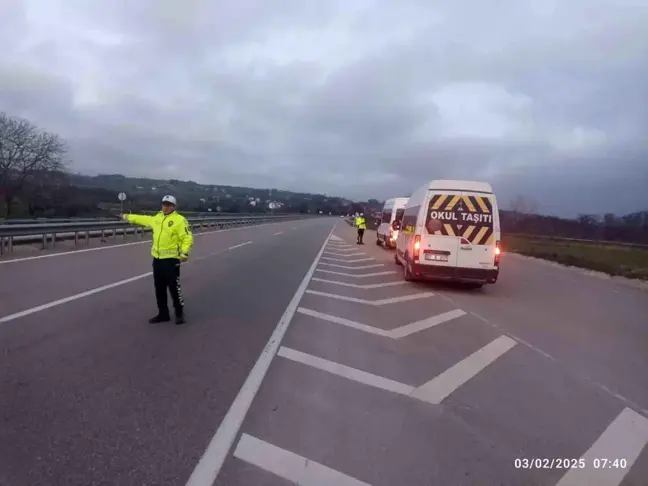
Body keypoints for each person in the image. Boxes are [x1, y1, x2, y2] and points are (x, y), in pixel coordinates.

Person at [121, 195, 194, 325]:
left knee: (174, 288)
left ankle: (179, 313)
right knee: (159, 289)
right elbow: (143, 219)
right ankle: (163, 314)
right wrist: (127, 217)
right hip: (158, 259)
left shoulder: (179, 220)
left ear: (173, 206)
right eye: (164, 204)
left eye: (168, 205)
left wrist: (184, 253)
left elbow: (187, 238)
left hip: (171, 260)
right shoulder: (157, 218)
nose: (166, 207)